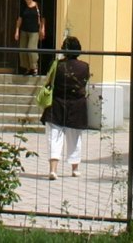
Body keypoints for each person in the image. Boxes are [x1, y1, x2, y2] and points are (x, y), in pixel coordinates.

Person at [40, 35, 90, 179]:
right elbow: (84, 84)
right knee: (75, 138)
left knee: (54, 137)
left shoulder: (57, 65)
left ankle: (53, 170)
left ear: (64, 50)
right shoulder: (84, 67)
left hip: (56, 103)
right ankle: (74, 169)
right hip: (77, 105)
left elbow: (49, 82)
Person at [13, 0, 45, 76]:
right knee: (23, 50)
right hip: (24, 31)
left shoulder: (37, 6)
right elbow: (19, 19)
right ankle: (28, 68)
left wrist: (42, 29)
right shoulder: (23, 7)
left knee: (31, 49)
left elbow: (42, 19)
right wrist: (17, 31)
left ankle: (34, 68)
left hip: (34, 31)